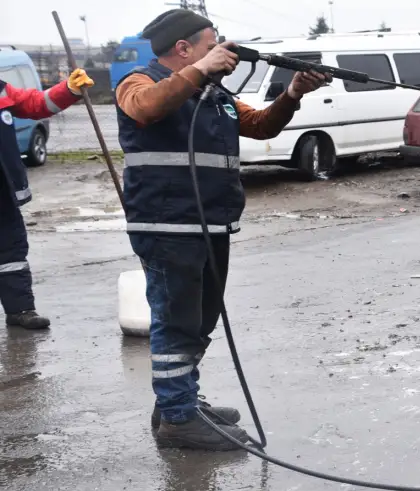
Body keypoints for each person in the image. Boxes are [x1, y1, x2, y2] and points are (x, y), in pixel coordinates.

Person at [115, 9, 327, 451]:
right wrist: (200, 71)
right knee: (176, 323)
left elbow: (262, 125)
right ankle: (177, 419)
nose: (221, 51)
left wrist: (292, 94)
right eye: (213, 44)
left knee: (200, 321)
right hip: (167, 224)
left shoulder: (215, 94)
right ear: (184, 49)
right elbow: (145, 109)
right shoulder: (138, 82)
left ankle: (181, 402)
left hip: (211, 225)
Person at [1, 69, 94, 330]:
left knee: (11, 251)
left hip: (2, 190)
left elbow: (36, 104)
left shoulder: (2, 89)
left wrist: (69, 89)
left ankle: (20, 310)